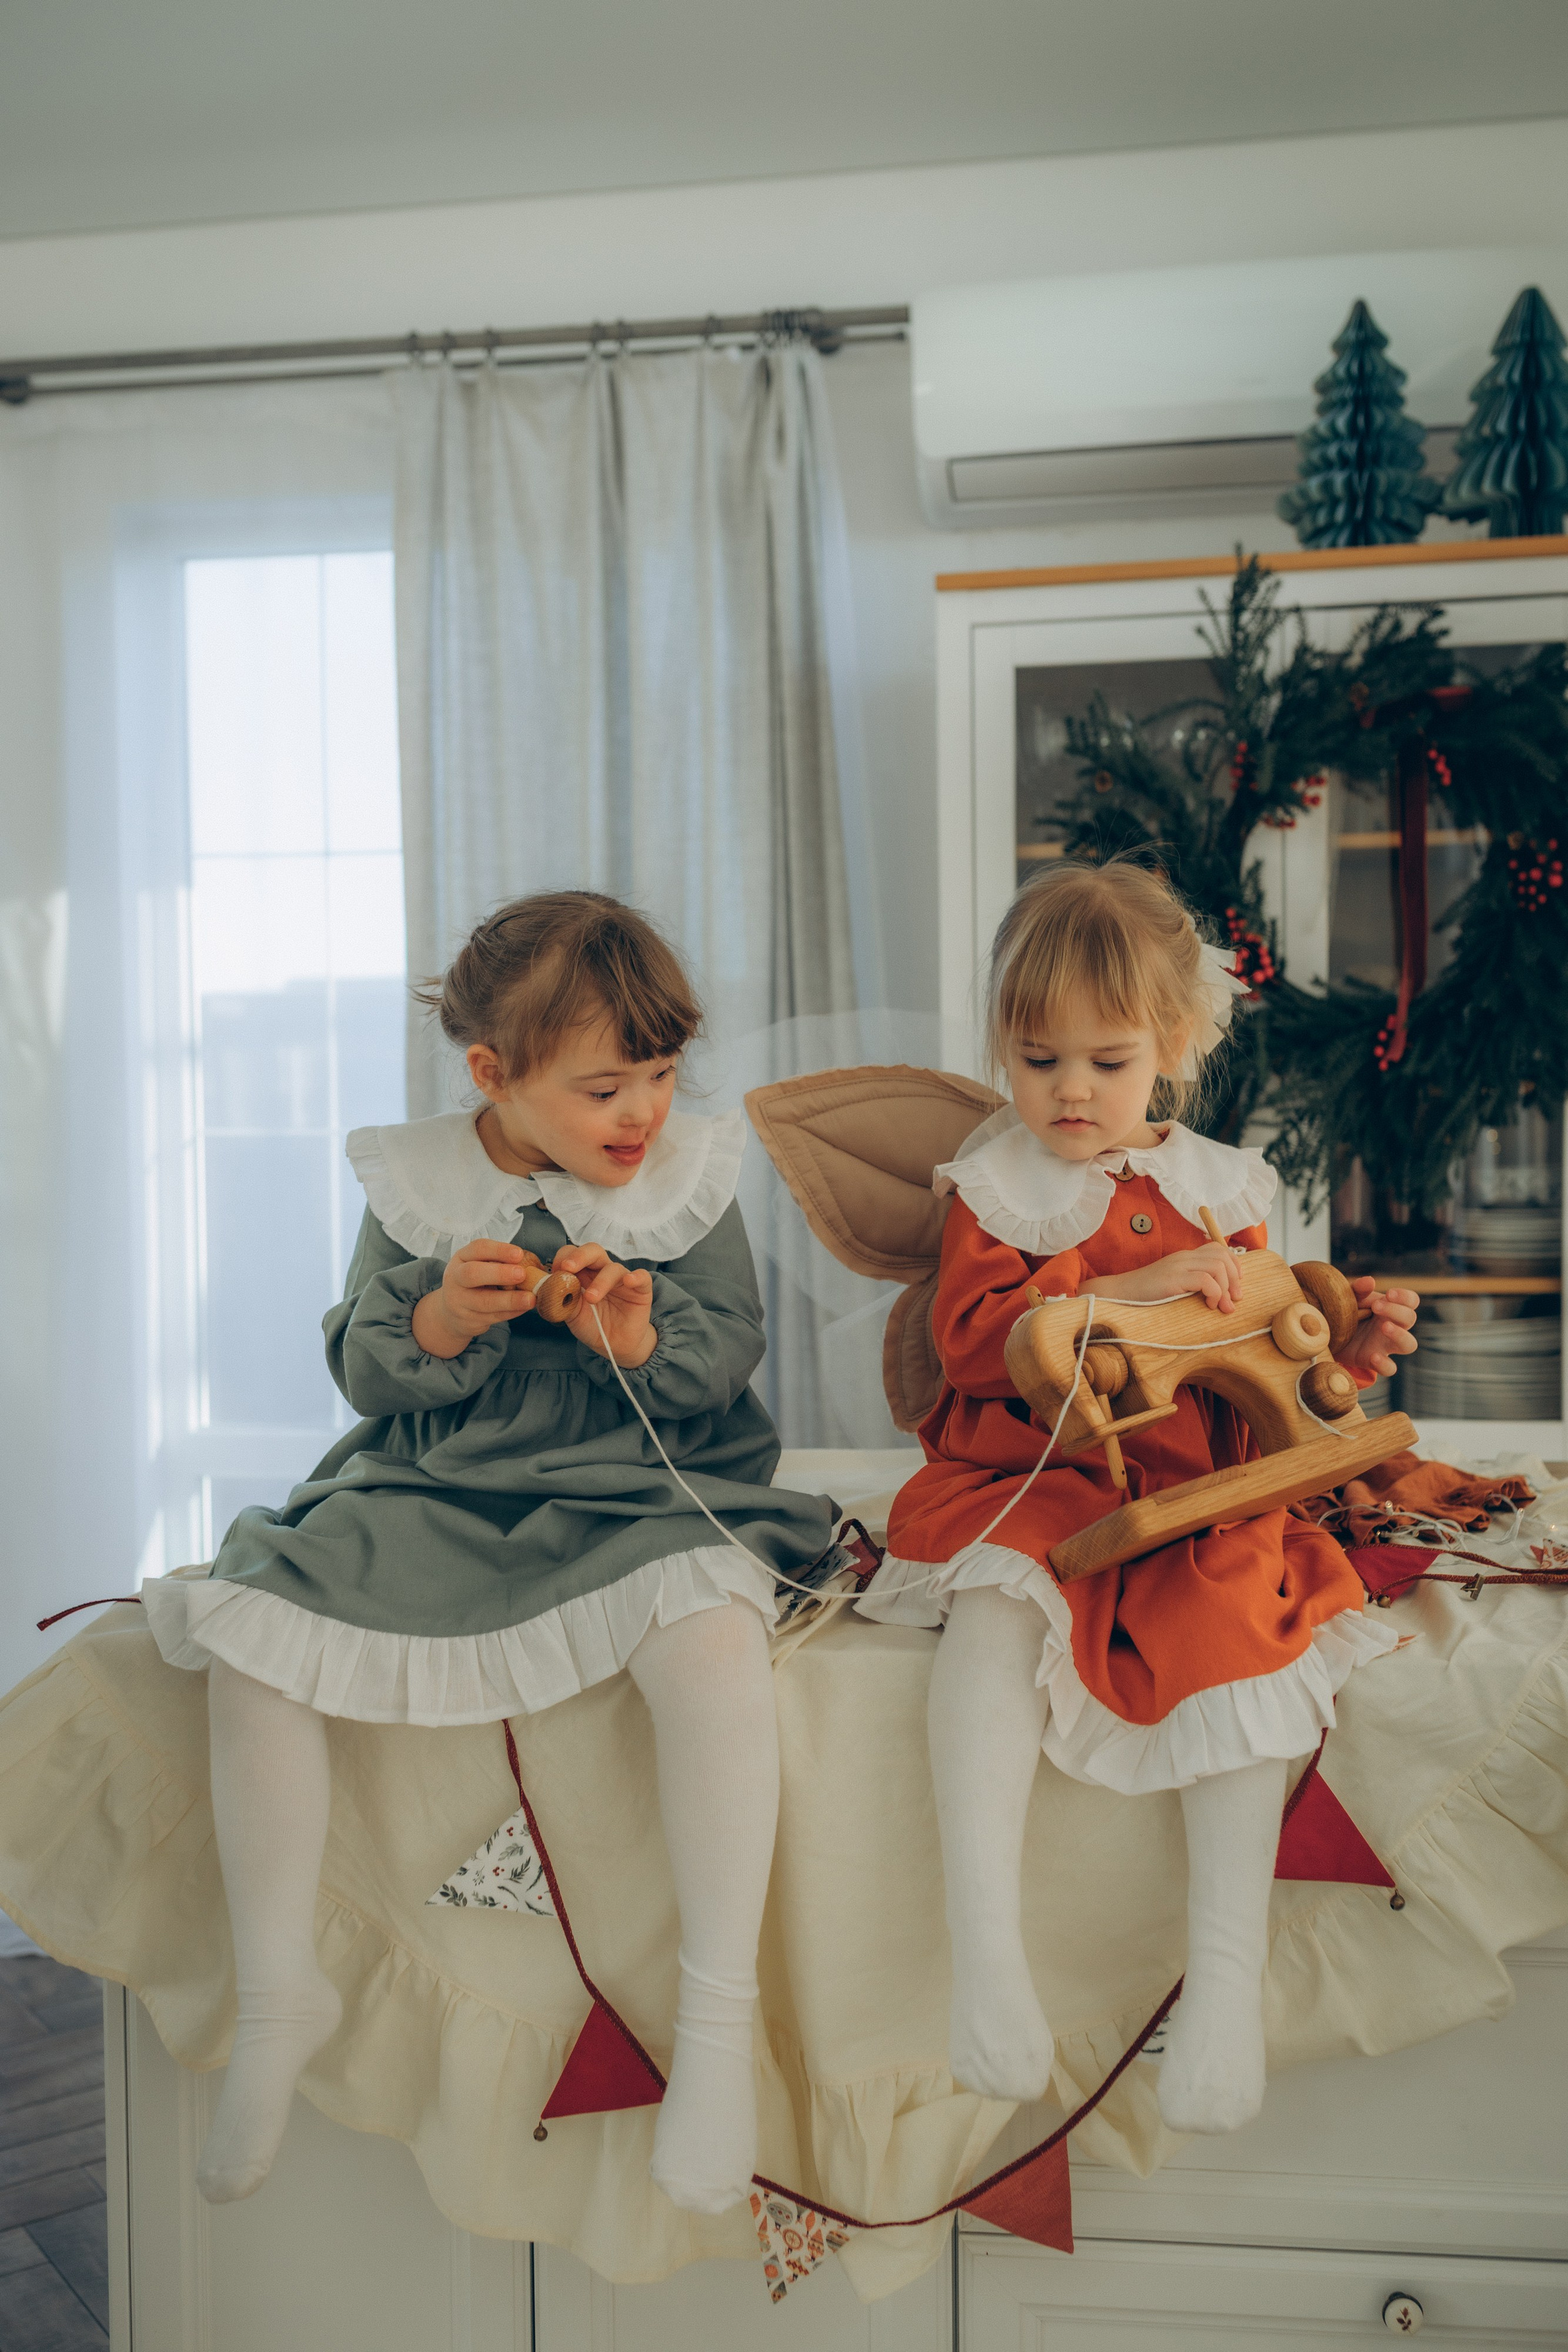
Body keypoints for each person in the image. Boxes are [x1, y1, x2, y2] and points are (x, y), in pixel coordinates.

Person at [143, 892, 832, 2214]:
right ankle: (279, 1989)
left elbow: (727, 1350)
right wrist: (443, 1319)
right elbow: (364, 1366)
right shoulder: (420, 1184)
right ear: (492, 1074)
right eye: (602, 1089)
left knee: (711, 1633)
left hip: (639, 1488)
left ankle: (716, 2021)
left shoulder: (686, 1178)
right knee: (256, 1630)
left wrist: (638, 1338)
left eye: (659, 1074)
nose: (642, 1113)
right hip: (441, 1488)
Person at [858, 857, 1417, 2136]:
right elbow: (972, 1347)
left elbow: (1275, 1354)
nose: (1069, 1090)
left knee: (1245, 1634)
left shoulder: (1221, 1186)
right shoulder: (996, 1188)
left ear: (1171, 1048)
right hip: (1029, 1470)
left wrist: (1344, 1351)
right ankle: (985, 1952)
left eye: (1105, 1062)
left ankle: (1223, 1983)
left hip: (1192, 1475)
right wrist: (1123, 1291)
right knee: (997, 1607)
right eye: (1036, 1057)